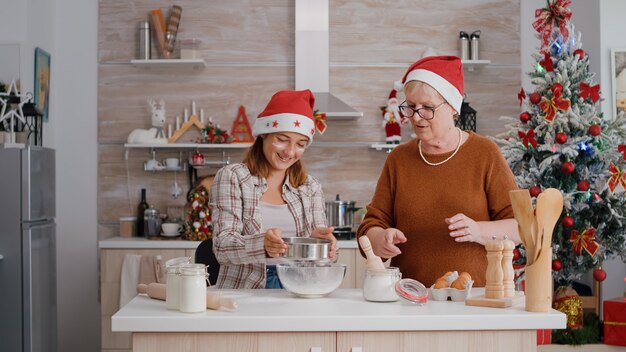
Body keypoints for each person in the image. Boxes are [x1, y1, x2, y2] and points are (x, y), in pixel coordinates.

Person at [357, 56, 520, 287]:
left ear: (453, 107)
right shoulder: (398, 159)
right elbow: (371, 225)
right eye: (411, 107)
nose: (415, 116)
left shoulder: (485, 153)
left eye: (427, 108)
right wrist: (380, 238)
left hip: (475, 300)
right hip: (412, 298)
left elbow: (520, 227)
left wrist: (478, 230)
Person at [210, 89, 336, 289]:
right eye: (282, 139)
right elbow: (222, 247)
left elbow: (322, 263)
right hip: (247, 288)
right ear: (264, 135)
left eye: (300, 144)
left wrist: (324, 248)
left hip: (299, 285)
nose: (290, 152)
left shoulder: (310, 187)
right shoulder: (233, 176)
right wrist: (262, 246)